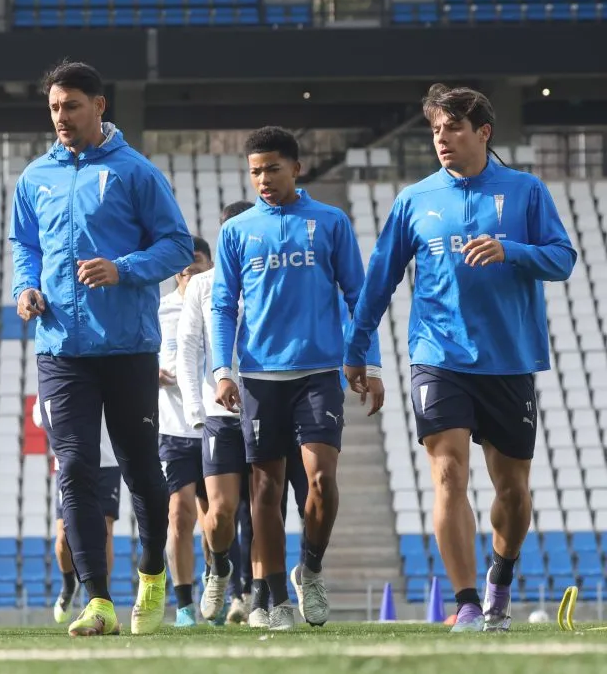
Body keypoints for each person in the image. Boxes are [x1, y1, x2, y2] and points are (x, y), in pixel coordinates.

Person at [344, 84, 576, 632]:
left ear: (483, 132)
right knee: (447, 473)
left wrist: (511, 251)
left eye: (453, 128)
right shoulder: (415, 199)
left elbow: (563, 259)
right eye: (435, 130)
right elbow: (379, 279)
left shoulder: (525, 192)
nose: (442, 139)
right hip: (438, 355)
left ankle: (500, 578)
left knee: (513, 493)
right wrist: (358, 349)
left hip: (509, 359)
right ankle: (468, 604)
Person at [9, 60, 193, 636]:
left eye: (72, 106)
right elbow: (24, 244)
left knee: (141, 468)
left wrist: (123, 269)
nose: (62, 117)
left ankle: (153, 573)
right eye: (55, 108)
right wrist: (25, 287)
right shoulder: (34, 176)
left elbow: (177, 246)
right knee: (75, 471)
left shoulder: (136, 172)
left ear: (99, 105)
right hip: (60, 347)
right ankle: (97, 600)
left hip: (128, 347)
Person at [212, 126, 383, 631]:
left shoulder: (330, 222)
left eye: (272, 169)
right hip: (261, 377)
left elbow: (359, 296)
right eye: (255, 171)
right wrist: (224, 371)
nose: (263, 179)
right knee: (263, 493)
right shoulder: (237, 231)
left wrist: (367, 363)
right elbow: (222, 306)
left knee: (322, 482)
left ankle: (310, 566)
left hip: (318, 373)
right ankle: (279, 600)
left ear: (296, 168)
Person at [177, 201, 310, 628]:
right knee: (220, 512)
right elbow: (189, 349)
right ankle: (219, 566)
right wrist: (197, 409)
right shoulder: (204, 285)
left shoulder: (273, 278)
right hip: (218, 413)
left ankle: (259, 600)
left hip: (266, 405)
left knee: (262, 509)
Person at [157, 238, 213, 627]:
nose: (187, 268)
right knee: (179, 514)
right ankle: (184, 605)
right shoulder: (158, 309)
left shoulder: (221, 302)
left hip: (215, 421)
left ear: (209, 263)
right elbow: (139, 355)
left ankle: (220, 582)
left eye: (195, 261)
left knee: (218, 517)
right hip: (173, 427)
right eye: (181, 263)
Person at [31, 395, 121, 625]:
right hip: (69, 461)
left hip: (108, 462)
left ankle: (101, 601)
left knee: (105, 530)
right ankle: (68, 584)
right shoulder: (63, 366)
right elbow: (39, 416)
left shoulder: (110, 364)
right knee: (63, 538)